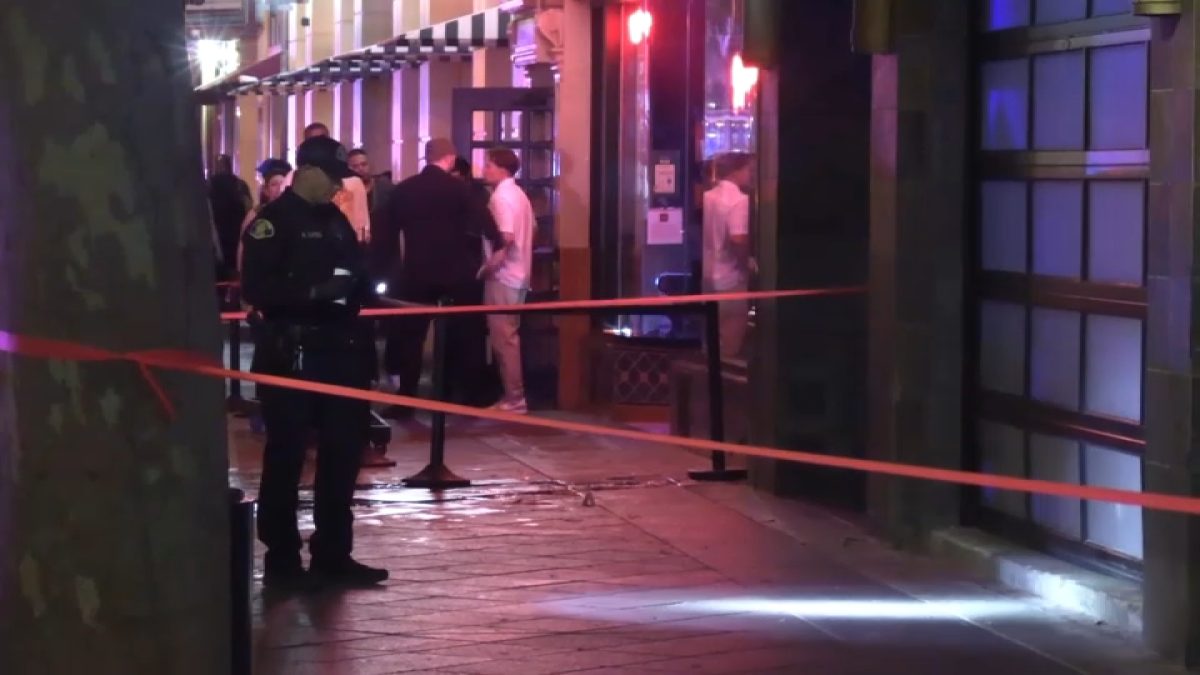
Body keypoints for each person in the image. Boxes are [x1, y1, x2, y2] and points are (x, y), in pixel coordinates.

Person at [240, 135, 388, 589]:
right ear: (306, 172)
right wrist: (312, 293)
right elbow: (257, 289)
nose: (339, 187)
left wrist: (360, 288)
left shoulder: (334, 219)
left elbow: (356, 272)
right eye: (332, 178)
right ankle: (283, 559)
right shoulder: (271, 223)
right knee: (286, 457)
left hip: (339, 351)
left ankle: (333, 553)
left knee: (342, 455)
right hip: (292, 354)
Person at [373, 138, 505, 416]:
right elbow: (488, 226)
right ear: (451, 158)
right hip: (457, 273)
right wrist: (494, 253)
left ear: (427, 157)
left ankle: (407, 399)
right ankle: (464, 395)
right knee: (465, 334)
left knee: (412, 338)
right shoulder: (459, 189)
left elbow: (384, 235)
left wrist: (389, 271)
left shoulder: (405, 189)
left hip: (416, 271)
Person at [479, 148, 536, 414]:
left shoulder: (501, 197)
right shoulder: (520, 195)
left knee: (504, 340)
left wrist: (487, 268)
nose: (484, 170)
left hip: (504, 276)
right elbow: (533, 229)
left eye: (489, 165)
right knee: (509, 336)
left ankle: (514, 398)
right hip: (520, 274)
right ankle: (513, 396)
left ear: (502, 169)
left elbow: (506, 238)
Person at [702, 152, 756, 358]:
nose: (751, 174)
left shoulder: (707, 197)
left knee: (710, 343)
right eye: (748, 170)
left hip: (708, 279)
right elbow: (738, 239)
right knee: (730, 346)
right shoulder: (739, 200)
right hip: (730, 280)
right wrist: (747, 264)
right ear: (736, 172)